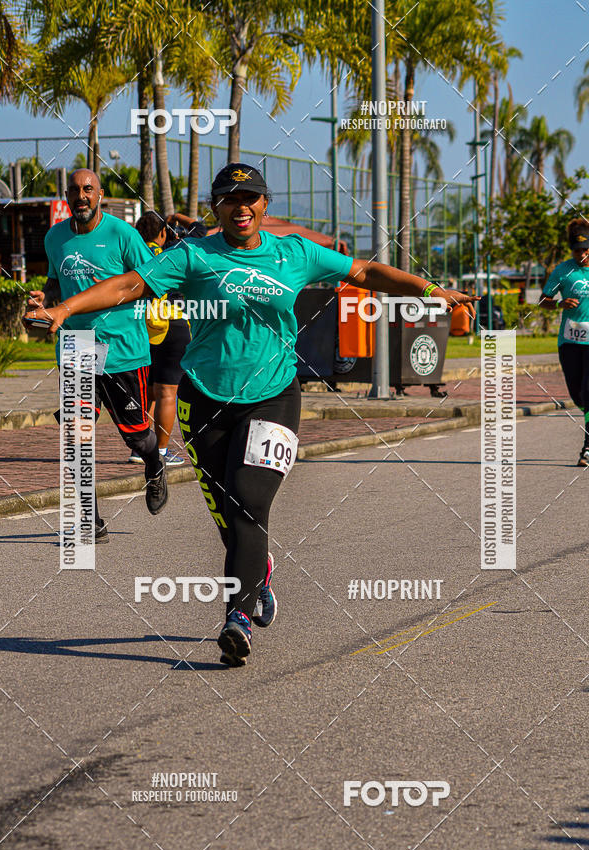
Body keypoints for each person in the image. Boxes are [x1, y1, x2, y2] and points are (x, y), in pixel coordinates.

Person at [25, 163, 474, 664]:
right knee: (227, 515)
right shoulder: (193, 255)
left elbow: (365, 272)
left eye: (252, 198)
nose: (242, 207)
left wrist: (430, 291)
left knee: (248, 501)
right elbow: (129, 285)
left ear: (266, 204)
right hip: (205, 400)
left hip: (274, 396)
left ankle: (236, 617)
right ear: (216, 207)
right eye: (231, 199)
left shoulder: (294, 252)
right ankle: (258, 572)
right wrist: (64, 311)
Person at [26, 169, 169, 545]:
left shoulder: (124, 236)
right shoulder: (55, 236)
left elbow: (150, 285)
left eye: (88, 189)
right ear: (68, 196)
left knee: (137, 436)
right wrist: (44, 302)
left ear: (100, 194)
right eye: (74, 190)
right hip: (77, 348)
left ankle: (155, 466)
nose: (81, 196)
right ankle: (89, 518)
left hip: (123, 350)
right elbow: (55, 282)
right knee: (77, 438)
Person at [130, 211, 191, 467]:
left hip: (141, 325)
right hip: (173, 324)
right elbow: (202, 227)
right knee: (167, 393)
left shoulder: (133, 256)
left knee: (147, 392)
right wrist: (176, 216)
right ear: (163, 233)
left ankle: (140, 449)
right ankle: (162, 452)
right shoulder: (173, 251)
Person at [540, 218, 589, 466]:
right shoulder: (563, 270)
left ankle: (587, 447)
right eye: (577, 250)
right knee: (578, 395)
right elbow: (543, 300)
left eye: (586, 249)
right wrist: (559, 303)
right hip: (569, 341)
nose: (582, 254)